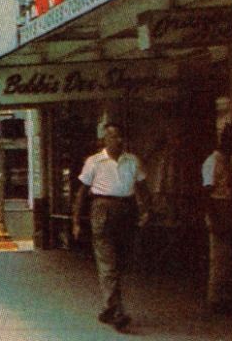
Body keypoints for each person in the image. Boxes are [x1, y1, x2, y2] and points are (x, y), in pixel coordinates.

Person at [72, 122, 149, 333]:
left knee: (123, 261)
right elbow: (82, 192)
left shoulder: (132, 161)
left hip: (127, 210)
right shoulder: (94, 162)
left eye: (120, 136)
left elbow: (142, 187)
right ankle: (118, 312)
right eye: (113, 136)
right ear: (104, 140)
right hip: (102, 209)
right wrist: (76, 220)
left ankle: (109, 306)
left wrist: (145, 211)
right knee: (108, 263)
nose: (118, 140)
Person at [202, 124, 232, 314]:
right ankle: (216, 299)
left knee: (228, 257)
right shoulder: (213, 161)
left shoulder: (227, 161)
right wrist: (214, 219)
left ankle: (225, 297)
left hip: (228, 209)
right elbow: (206, 193)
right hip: (219, 210)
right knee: (219, 258)